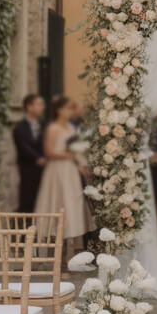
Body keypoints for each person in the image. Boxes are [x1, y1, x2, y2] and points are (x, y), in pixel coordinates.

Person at [35, 95, 93, 241]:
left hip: (71, 170)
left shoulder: (71, 127)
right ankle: (55, 243)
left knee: (72, 203)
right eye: (68, 108)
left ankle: (71, 244)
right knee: (57, 202)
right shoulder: (52, 128)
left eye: (72, 108)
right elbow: (49, 152)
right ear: (59, 110)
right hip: (57, 170)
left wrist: (80, 161)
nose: (71, 111)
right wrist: (69, 155)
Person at [13, 94, 46, 213]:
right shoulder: (19, 128)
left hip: (45, 171)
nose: (42, 107)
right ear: (29, 106)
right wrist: (37, 158)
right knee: (27, 203)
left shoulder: (45, 125)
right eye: (39, 104)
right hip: (28, 171)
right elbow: (23, 146)